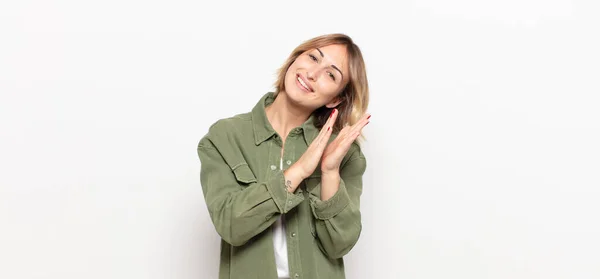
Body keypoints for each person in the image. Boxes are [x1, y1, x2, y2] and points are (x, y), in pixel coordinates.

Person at [197, 33, 370, 279]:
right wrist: (298, 171)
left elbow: (339, 244)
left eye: (331, 74)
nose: (312, 74)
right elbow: (231, 226)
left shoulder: (345, 154)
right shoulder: (225, 137)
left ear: (336, 99)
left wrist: (329, 172)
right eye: (312, 58)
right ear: (294, 59)